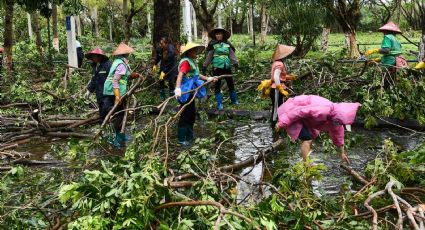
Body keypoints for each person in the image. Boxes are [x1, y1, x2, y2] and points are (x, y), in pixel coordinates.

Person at [275, 95, 361, 164]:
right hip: (293, 109)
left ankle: (305, 161)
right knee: (307, 139)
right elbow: (299, 112)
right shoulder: (324, 110)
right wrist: (282, 122)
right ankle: (307, 167)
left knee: (310, 137)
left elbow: (338, 135)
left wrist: (342, 153)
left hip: (306, 119)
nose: (339, 124)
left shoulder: (337, 120)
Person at [174, 42, 217, 146]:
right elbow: (180, 75)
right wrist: (178, 88)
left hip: (192, 91)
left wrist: (208, 78)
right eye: (194, 51)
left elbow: (196, 75)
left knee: (191, 114)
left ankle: (189, 137)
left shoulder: (192, 62)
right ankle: (181, 139)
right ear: (189, 52)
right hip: (185, 91)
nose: (196, 52)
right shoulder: (185, 62)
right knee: (185, 114)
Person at [103, 43, 143, 148]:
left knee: (121, 113)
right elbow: (115, 81)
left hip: (112, 90)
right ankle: (116, 138)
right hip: (115, 91)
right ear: (126, 54)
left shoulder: (119, 62)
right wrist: (117, 96)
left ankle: (120, 135)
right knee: (120, 114)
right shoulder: (121, 64)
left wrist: (137, 75)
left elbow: (126, 76)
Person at [203, 27, 239, 110]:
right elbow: (209, 56)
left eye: (220, 33)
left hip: (227, 66)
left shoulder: (227, 44)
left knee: (230, 83)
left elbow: (231, 55)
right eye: (217, 34)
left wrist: (235, 63)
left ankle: (234, 101)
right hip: (217, 67)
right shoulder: (213, 45)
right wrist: (205, 65)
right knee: (217, 85)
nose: (218, 35)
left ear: (223, 35)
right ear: (215, 35)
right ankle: (219, 104)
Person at [364, 22, 407, 86]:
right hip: (398, 61)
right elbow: (393, 53)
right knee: (394, 80)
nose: (383, 33)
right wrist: (378, 59)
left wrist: (375, 50)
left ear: (385, 31)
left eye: (383, 32)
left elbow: (386, 51)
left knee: (384, 78)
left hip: (390, 62)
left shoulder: (387, 37)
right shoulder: (396, 39)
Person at [269, 44, 296, 128]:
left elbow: (279, 76)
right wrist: (279, 88)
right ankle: (273, 124)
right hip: (276, 89)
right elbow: (276, 77)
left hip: (278, 87)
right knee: (276, 107)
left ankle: (280, 123)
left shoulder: (277, 63)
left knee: (280, 106)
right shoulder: (279, 64)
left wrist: (288, 77)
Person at [84, 48, 112, 120]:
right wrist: (89, 91)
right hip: (99, 94)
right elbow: (94, 80)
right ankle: (103, 128)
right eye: (92, 56)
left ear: (99, 56)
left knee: (107, 111)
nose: (93, 58)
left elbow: (113, 78)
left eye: (94, 56)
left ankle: (111, 127)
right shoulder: (95, 66)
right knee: (102, 113)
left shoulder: (107, 65)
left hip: (107, 94)